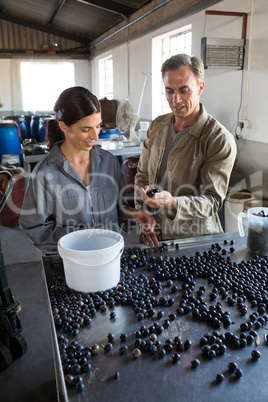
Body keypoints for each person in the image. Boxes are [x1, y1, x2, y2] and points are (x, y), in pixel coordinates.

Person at [19, 86, 156, 253]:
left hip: (110, 256)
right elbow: (34, 227)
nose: (95, 136)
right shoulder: (44, 174)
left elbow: (117, 209)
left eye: (98, 126)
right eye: (86, 129)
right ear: (64, 127)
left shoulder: (109, 163)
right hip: (72, 262)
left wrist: (135, 214)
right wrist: (81, 236)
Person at [134, 53, 237, 247]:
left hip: (195, 240)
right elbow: (142, 176)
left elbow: (212, 200)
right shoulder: (157, 126)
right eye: (169, 91)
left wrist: (173, 203)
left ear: (200, 87)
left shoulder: (218, 139)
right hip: (155, 235)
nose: (176, 99)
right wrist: (144, 216)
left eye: (184, 90)